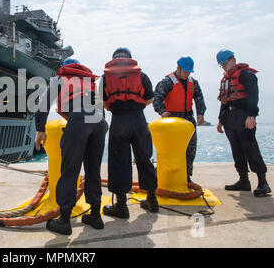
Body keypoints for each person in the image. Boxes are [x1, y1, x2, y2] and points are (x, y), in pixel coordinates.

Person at [35, 58, 108, 235]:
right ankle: (95, 216)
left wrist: (40, 130)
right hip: (100, 122)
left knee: (69, 169)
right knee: (93, 170)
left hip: (79, 120)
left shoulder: (59, 79)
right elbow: (100, 110)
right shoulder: (89, 81)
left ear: (64, 68)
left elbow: (42, 105)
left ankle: (64, 221)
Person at [100, 47, 159, 216]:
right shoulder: (142, 75)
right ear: (130, 58)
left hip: (118, 120)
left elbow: (103, 103)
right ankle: (152, 200)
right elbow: (149, 98)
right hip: (139, 120)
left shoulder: (105, 77)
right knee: (144, 159)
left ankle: (121, 206)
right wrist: (136, 105)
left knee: (119, 162)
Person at [216, 49, 271, 197]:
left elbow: (254, 96)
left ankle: (263, 182)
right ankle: (243, 180)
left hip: (244, 117)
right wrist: (221, 120)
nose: (224, 67)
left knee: (250, 148)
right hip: (229, 118)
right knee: (237, 150)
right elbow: (224, 101)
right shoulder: (226, 79)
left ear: (233, 60)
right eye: (222, 65)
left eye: (225, 63)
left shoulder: (246, 74)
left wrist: (252, 115)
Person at [153, 56, 206, 184]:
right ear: (178, 68)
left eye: (189, 71)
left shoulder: (193, 82)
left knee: (190, 149)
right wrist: (162, 111)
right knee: (169, 151)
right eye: (185, 71)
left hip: (188, 120)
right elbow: (157, 98)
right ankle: (160, 175)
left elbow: (199, 98)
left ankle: (186, 176)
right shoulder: (167, 82)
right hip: (172, 120)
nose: (187, 74)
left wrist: (200, 114)